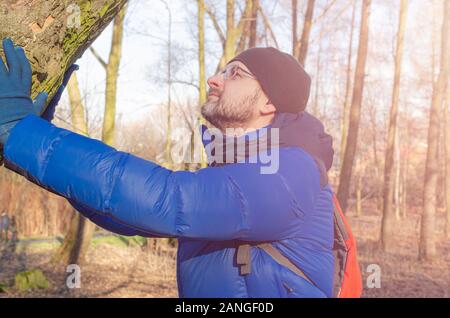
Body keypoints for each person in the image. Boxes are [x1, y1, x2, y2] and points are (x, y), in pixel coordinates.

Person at [0, 38, 335, 297]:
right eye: (221, 70)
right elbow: (127, 214)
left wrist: (22, 132)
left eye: (235, 73)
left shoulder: (289, 172)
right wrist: (31, 145)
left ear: (269, 102)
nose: (213, 80)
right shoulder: (243, 169)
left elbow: (166, 200)